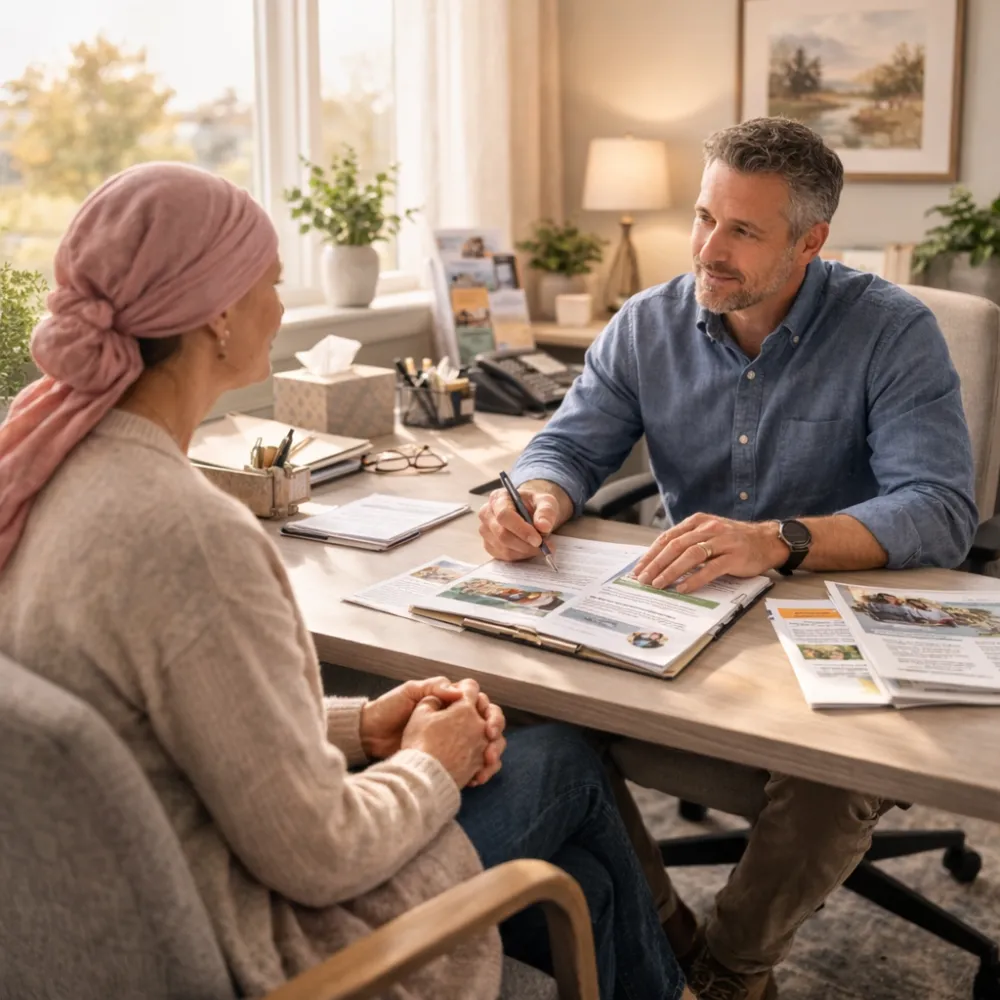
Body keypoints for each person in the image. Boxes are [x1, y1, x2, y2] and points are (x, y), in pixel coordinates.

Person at [0, 164, 690, 1000]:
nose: (282, 308)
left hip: (121, 915)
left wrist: (365, 726)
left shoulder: (38, 471)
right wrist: (434, 760)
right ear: (217, 314)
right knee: (566, 763)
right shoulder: (192, 539)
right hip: (260, 944)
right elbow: (319, 851)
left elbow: (169, 720)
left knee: (585, 879)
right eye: (274, 282)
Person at [478, 117, 977, 1000]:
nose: (710, 248)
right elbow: (567, 445)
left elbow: (939, 511)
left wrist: (777, 539)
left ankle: (730, 971)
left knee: (833, 779)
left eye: (743, 230)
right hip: (691, 614)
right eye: (705, 217)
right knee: (526, 703)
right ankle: (662, 927)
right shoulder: (647, 324)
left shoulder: (891, 331)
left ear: (810, 241)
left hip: (839, 623)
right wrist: (541, 498)